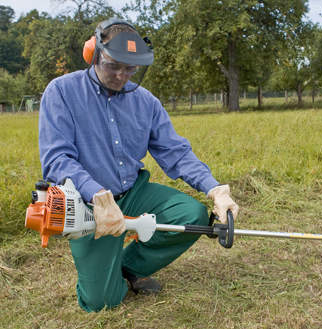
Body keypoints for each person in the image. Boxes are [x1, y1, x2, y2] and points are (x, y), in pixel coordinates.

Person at [38, 18, 239, 313]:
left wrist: (215, 189)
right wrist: (95, 193)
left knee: (192, 215)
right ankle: (105, 277)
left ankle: (128, 266)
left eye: (129, 68)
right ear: (93, 53)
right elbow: (57, 159)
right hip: (88, 205)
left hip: (133, 192)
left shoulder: (146, 102)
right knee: (101, 302)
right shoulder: (62, 92)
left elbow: (176, 152)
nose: (121, 75)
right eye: (112, 65)